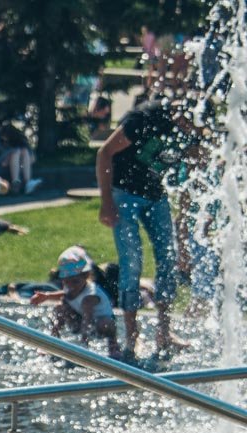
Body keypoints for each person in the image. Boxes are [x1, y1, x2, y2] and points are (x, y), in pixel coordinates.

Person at [96, 97, 191, 361]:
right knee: (132, 261)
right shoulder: (146, 118)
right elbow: (104, 152)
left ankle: (164, 332)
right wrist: (106, 202)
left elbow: (192, 177)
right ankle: (132, 337)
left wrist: (183, 228)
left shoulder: (193, 132)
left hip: (155, 196)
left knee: (168, 258)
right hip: (123, 194)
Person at [30, 246, 119, 358]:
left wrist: (83, 344)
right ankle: (52, 340)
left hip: (100, 324)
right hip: (81, 319)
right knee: (59, 307)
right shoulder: (72, 285)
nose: (71, 286)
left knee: (106, 323)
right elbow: (65, 293)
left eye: (75, 282)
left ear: (86, 276)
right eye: (67, 282)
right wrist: (47, 296)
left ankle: (113, 346)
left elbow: (88, 319)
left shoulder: (90, 295)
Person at [0, 123, 41, 195]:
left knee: (24, 151)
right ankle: (15, 182)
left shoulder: (20, 139)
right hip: (2, 161)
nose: (4, 140)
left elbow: (32, 158)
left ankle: (28, 183)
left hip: (17, 161)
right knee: (16, 152)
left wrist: (22, 163)